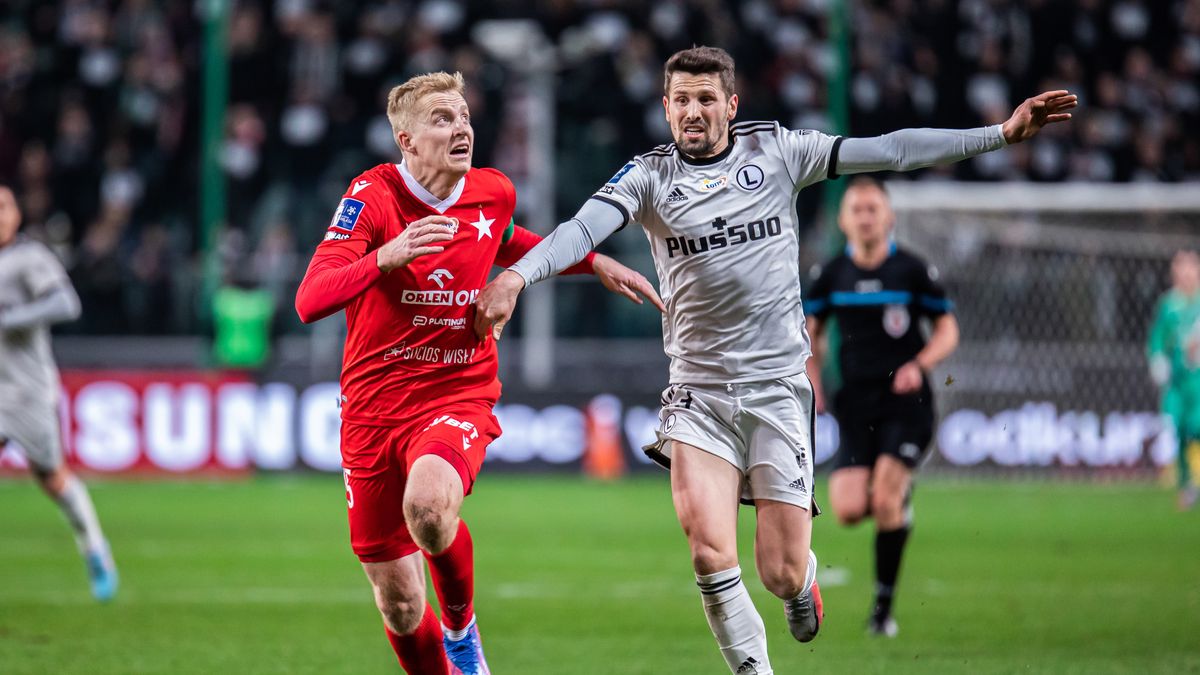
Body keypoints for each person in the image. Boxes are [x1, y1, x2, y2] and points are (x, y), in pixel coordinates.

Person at [474, 46, 1074, 674]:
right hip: (696, 394)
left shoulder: (779, 152)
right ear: (665, 107)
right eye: (681, 100)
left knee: (779, 572)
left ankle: (802, 579)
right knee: (708, 551)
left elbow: (891, 148)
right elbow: (580, 229)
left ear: (731, 105)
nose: (693, 111)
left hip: (777, 391)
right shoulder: (647, 176)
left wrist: (1000, 134)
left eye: (706, 99)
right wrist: (518, 276)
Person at [294, 71, 660, 675]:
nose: (461, 127)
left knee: (431, 510)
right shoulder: (372, 198)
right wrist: (388, 255)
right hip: (371, 410)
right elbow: (311, 299)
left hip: (456, 390)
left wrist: (590, 258)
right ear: (406, 142)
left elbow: (508, 240)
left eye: (464, 115)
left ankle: (463, 628)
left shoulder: (491, 192)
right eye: (442, 118)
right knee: (402, 603)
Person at [803, 177, 959, 637]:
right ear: (842, 219)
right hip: (855, 405)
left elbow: (947, 329)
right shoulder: (831, 275)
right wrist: (814, 382)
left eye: (874, 208)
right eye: (858, 209)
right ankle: (897, 505)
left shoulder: (910, 270)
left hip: (906, 403)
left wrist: (920, 362)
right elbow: (809, 335)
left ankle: (881, 612)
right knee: (850, 509)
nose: (866, 216)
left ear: (889, 217)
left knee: (885, 500)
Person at [0, 184, 118, 601]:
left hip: (26, 392)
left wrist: (12, 318)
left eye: (4, 206)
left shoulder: (28, 258)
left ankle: (95, 549)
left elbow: (66, 304)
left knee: (51, 477)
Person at [1147, 249, 1200, 511]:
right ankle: (1186, 485)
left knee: (1195, 426)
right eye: (1180, 267)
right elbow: (1158, 337)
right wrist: (1158, 359)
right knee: (1178, 429)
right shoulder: (1168, 304)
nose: (1186, 272)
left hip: (1199, 381)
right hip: (1178, 382)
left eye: (1190, 266)